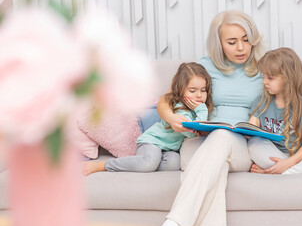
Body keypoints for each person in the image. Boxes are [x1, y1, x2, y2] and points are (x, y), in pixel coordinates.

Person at [156, 10, 302, 226]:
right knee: (213, 170)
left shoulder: (265, 68)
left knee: (220, 138)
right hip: (197, 141)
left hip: (240, 144)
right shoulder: (205, 66)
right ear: (219, 44)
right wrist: (172, 118)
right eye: (232, 41)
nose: (241, 48)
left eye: (246, 40)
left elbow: (297, 97)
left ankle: (173, 224)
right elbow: (166, 99)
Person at [82, 62, 213, 175]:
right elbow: (191, 133)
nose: (198, 95)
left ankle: (141, 161)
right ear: (181, 90)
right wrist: (202, 109)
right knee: (149, 162)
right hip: (152, 141)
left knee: (173, 163)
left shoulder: (195, 111)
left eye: (203, 90)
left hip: (167, 149)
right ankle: (105, 165)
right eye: (192, 90)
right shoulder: (180, 108)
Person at [247, 47, 302, 174]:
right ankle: (286, 170)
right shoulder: (261, 102)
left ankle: (280, 171)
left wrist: (287, 164)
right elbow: (250, 130)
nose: (264, 82)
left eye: (270, 78)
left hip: (301, 158)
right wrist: (247, 130)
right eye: (264, 77)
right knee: (254, 143)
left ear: (287, 79)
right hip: (275, 154)